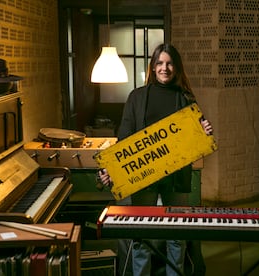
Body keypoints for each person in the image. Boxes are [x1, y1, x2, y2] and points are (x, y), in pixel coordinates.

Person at [99, 43, 213, 276]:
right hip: (142, 178)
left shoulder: (186, 98)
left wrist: (205, 130)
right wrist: (114, 168)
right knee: (141, 235)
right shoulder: (137, 97)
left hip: (177, 176)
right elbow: (125, 138)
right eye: (160, 63)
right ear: (152, 67)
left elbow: (198, 138)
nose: (165, 68)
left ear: (177, 67)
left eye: (170, 63)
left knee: (176, 234)